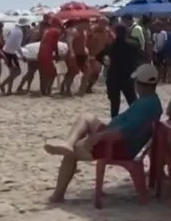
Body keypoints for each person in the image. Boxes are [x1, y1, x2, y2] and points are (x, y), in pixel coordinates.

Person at [45, 64, 163, 203]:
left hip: (117, 145)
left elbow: (123, 133)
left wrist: (98, 136)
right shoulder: (151, 101)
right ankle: (68, 143)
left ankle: (58, 195)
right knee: (86, 117)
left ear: (139, 84)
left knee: (71, 154)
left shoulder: (145, 106)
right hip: (116, 138)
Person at [96, 25, 144, 117]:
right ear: (126, 33)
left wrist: (106, 62)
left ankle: (114, 122)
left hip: (113, 77)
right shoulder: (133, 45)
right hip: (128, 76)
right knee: (132, 101)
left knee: (114, 104)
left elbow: (98, 56)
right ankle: (136, 120)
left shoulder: (111, 46)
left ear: (115, 33)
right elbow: (142, 57)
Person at [0, 18, 27, 95]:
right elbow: (18, 46)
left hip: (8, 51)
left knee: (12, 72)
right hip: (9, 53)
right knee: (17, 72)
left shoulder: (14, 29)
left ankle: (9, 91)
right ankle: (2, 85)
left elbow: (8, 39)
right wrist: (23, 56)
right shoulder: (20, 33)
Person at [61, 20, 88, 97]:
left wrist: (86, 49)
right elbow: (69, 41)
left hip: (82, 54)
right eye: (86, 24)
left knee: (87, 71)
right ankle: (67, 89)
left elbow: (83, 42)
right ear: (81, 23)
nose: (88, 26)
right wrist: (71, 52)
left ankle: (81, 91)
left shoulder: (84, 31)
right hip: (74, 54)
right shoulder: (73, 31)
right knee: (73, 72)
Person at [37, 18, 62, 96]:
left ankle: (43, 91)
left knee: (43, 73)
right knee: (53, 73)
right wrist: (57, 54)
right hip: (47, 54)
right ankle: (48, 91)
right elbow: (55, 44)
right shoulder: (56, 31)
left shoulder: (46, 30)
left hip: (40, 53)